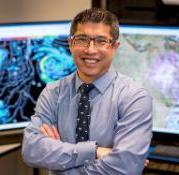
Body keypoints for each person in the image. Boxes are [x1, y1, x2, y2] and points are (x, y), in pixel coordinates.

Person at [22, 8, 152, 175]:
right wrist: (94, 151)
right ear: (70, 44)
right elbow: (32, 150)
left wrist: (61, 161)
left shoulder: (134, 98)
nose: (90, 50)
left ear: (115, 47)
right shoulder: (53, 93)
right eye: (82, 39)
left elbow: (125, 167)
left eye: (101, 41)